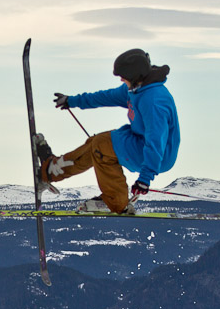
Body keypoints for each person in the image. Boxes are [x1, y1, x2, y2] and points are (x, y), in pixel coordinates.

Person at [35, 48, 180, 214]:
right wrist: (72, 101)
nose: (121, 79)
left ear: (134, 76)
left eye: (123, 77)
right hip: (140, 142)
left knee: (102, 146)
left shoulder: (153, 100)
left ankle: (116, 201)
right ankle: (50, 171)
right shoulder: (136, 88)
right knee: (97, 143)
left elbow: (156, 141)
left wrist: (145, 178)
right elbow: (107, 96)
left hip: (158, 156)